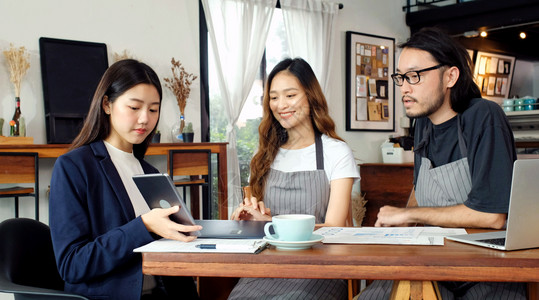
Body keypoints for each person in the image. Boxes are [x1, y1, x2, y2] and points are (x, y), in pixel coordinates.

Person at [358, 27, 525, 299]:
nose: (404, 88)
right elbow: (420, 189)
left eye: (414, 76)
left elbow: (492, 217)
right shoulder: (422, 123)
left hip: (486, 273)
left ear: (450, 76)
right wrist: (402, 224)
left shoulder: (483, 117)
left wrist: (410, 214)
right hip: (434, 263)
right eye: (401, 77)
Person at [49, 59, 201, 300]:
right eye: (134, 107)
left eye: (153, 109)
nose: (145, 119)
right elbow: (72, 264)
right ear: (107, 105)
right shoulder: (74, 167)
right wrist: (144, 226)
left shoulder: (150, 173)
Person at [227, 57, 360, 300]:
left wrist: (273, 224)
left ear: (310, 96)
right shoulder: (265, 155)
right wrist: (248, 218)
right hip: (267, 267)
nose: (281, 104)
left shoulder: (336, 151)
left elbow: (334, 227)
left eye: (290, 95)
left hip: (321, 268)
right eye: (274, 97)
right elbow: (260, 226)